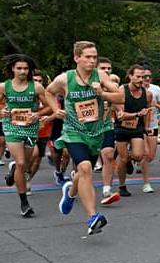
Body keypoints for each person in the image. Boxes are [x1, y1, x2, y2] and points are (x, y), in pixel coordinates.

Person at [46, 41, 123, 235]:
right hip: (74, 131)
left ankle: (70, 192)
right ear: (77, 58)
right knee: (85, 167)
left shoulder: (101, 76)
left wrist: (102, 93)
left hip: (97, 131)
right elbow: (48, 92)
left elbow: (121, 98)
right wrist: (56, 110)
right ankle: (93, 216)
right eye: (88, 57)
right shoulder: (65, 79)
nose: (92, 60)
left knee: (83, 170)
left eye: (94, 57)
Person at [0, 54, 51, 216]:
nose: (22, 71)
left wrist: (38, 114)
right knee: (22, 163)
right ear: (12, 69)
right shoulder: (4, 87)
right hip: (12, 127)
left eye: (26, 68)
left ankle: (14, 169)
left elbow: (50, 107)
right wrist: (2, 111)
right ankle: (24, 203)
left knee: (25, 165)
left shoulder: (36, 87)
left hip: (30, 128)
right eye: (19, 68)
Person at [114, 64, 153, 196]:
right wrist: (137, 114)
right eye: (137, 76)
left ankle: (129, 159)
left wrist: (147, 126)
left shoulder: (147, 94)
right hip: (122, 128)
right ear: (130, 76)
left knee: (138, 155)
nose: (141, 79)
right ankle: (122, 186)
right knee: (123, 159)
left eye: (143, 77)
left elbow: (147, 112)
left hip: (137, 128)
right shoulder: (121, 91)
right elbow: (120, 115)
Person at [96, 57, 121, 205]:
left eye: (109, 69)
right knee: (85, 163)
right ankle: (75, 183)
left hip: (106, 126)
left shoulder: (112, 88)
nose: (106, 71)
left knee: (109, 155)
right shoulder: (85, 86)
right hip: (86, 129)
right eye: (103, 68)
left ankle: (107, 190)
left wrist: (120, 112)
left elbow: (120, 101)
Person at [27, 70, 54, 194]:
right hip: (27, 130)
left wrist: (46, 115)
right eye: (35, 80)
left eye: (40, 81)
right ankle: (20, 169)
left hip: (44, 131)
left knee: (37, 159)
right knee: (33, 154)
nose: (37, 83)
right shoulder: (26, 94)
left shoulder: (47, 95)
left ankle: (27, 178)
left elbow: (54, 109)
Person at [142, 66, 160, 192]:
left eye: (149, 76)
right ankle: (146, 184)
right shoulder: (135, 90)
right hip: (139, 125)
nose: (146, 79)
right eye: (144, 76)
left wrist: (154, 104)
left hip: (152, 124)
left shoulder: (156, 89)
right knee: (144, 154)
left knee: (150, 155)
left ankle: (133, 157)